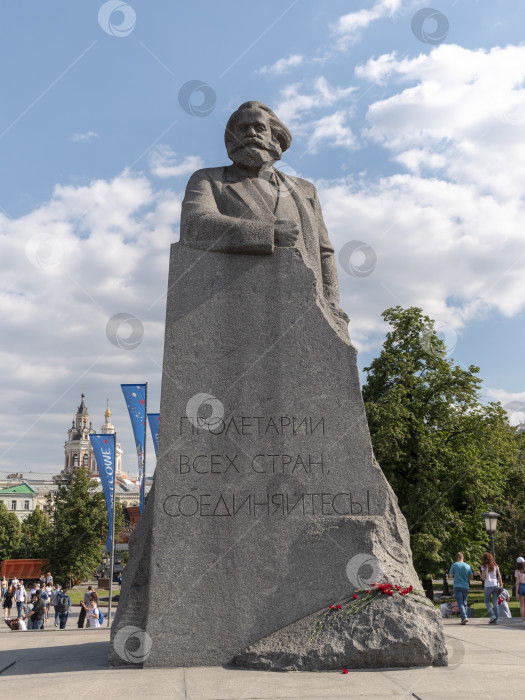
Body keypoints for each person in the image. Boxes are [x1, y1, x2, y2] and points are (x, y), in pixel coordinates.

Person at [180, 101, 348, 332]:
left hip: (306, 309)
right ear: (230, 140)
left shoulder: (305, 190)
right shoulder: (208, 179)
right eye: (242, 129)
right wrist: (269, 233)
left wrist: (331, 303)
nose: (251, 133)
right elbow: (195, 224)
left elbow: (324, 251)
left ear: (274, 137)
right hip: (236, 310)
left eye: (259, 128)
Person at [448, 552, 474, 625]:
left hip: (457, 586)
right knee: (464, 602)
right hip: (465, 586)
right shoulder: (468, 566)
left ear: (457, 558)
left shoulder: (454, 565)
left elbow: (450, 576)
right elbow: (471, 577)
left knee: (460, 602)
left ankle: (464, 617)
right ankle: (464, 618)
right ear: (463, 558)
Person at [478, 552, 503, 624]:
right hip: (495, 585)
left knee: (486, 601)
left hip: (488, 585)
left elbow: (484, 578)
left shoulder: (484, 566)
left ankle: (492, 615)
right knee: (495, 602)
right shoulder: (495, 566)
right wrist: (501, 586)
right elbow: (500, 577)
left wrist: (479, 574)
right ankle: (497, 620)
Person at [515, 556, 525, 624]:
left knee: (522, 605)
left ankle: (523, 621)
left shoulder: (517, 571)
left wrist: (516, 592)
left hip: (521, 586)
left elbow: (517, 583)